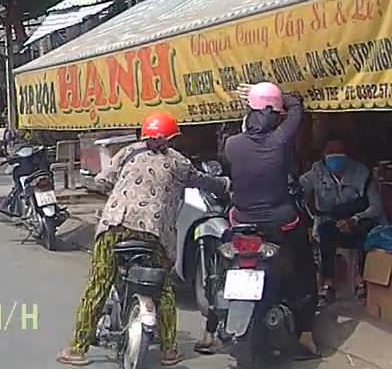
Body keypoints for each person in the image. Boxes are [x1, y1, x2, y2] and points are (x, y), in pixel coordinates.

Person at [58, 112, 228, 366]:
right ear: (171, 139)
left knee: (98, 286)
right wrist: (225, 184)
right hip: (154, 233)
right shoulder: (178, 161)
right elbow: (204, 182)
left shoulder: (127, 153)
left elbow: (102, 180)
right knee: (163, 289)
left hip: (115, 226)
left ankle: (77, 349)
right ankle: (170, 351)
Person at [221, 82, 319, 358]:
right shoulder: (280, 140)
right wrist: (278, 96)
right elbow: (297, 106)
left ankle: (212, 326)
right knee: (304, 271)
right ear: (275, 115)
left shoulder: (232, 144)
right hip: (281, 223)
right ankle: (307, 334)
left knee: (223, 265)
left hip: (242, 221)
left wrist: (257, 96)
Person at [303, 138, 387, 302]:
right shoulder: (316, 172)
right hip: (331, 222)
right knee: (325, 232)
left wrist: (355, 219)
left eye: (339, 152)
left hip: (359, 220)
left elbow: (376, 207)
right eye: (331, 152)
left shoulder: (361, 172)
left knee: (366, 234)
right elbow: (300, 190)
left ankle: (361, 280)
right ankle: (328, 283)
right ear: (323, 154)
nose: (335, 156)